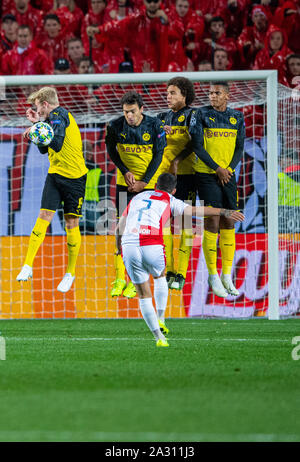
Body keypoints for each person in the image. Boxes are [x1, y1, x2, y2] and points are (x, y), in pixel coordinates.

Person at [117, 172, 244, 346]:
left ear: (155, 186)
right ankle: (161, 319)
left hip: (129, 243)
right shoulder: (170, 200)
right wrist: (224, 211)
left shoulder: (137, 198)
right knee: (160, 277)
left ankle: (159, 338)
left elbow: (119, 226)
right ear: (174, 190)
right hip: (151, 242)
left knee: (143, 295)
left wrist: (119, 249)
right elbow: (197, 211)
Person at [16, 86, 88, 293]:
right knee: (44, 215)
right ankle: (28, 265)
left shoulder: (60, 114)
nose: (38, 112)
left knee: (71, 223)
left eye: (38, 109)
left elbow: (56, 144)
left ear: (45, 104)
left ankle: (70, 272)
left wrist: (37, 127)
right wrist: (37, 125)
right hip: (56, 175)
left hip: (75, 178)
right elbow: (42, 149)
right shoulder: (48, 120)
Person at [105, 90, 166, 299]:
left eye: (132, 111)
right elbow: (111, 149)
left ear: (141, 109)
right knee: (121, 228)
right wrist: (125, 171)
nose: (128, 116)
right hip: (125, 184)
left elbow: (158, 155)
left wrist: (144, 182)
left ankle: (135, 282)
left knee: (143, 233)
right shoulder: (115, 126)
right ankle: (119, 278)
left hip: (149, 187)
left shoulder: (154, 125)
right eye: (125, 112)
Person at [193, 82, 245, 298]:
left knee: (230, 220)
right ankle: (213, 275)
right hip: (206, 174)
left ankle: (226, 275)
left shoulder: (237, 117)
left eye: (217, 93)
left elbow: (240, 146)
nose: (212, 96)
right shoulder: (201, 114)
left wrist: (229, 170)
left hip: (228, 175)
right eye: (210, 93)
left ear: (227, 96)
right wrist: (217, 169)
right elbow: (197, 145)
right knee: (213, 220)